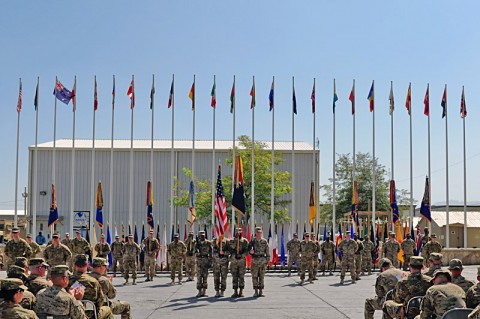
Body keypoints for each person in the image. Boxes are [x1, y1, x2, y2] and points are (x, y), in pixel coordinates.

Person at [68, 254, 113, 319]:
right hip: (90, 314)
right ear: (87, 265)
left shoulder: (68, 280)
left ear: (74, 265)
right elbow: (100, 300)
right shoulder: (93, 281)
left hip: (72, 313)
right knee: (107, 309)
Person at [228, 227, 249, 298]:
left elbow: (247, 250)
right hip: (234, 261)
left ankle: (241, 291)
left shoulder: (245, 241)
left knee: (241, 276)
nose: (238, 233)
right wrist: (236, 240)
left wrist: (242, 255)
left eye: (240, 231)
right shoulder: (231, 241)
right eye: (237, 232)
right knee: (234, 276)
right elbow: (230, 250)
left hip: (242, 261)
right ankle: (235, 291)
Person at [249, 227, 269, 297]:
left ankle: (261, 291)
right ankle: (255, 291)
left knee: (261, 277)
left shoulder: (264, 241)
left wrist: (267, 262)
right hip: (254, 260)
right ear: (255, 233)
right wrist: (250, 252)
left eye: (260, 232)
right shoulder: (252, 241)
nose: (259, 234)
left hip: (262, 261)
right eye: (257, 232)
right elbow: (248, 250)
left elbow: (267, 253)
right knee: (254, 276)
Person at [195, 231, 212, 297]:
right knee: (199, 277)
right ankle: (199, 291)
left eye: (203, 236)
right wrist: (196, 253)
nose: (202, 237)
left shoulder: (208, 243)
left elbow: (210, 253)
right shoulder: (197, 243)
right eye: (201, 236)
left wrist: (210, 262)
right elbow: (193, 250)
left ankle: (204, 291)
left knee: (205, 277)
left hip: (205, 261)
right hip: (199, 261)